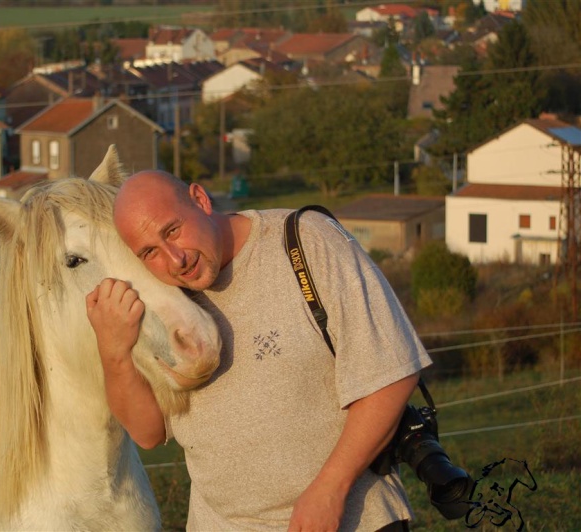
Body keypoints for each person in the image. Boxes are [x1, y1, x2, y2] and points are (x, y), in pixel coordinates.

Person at [85, 170, 433, 532]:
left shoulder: (305, 242)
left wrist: (331, 487)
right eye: (150, 252)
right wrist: (114, 351)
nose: (175, 260)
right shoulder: (166, 301)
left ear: (201, 200)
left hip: (350, 520)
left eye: (172, 230)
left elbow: (392, 372)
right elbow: (149, 433)